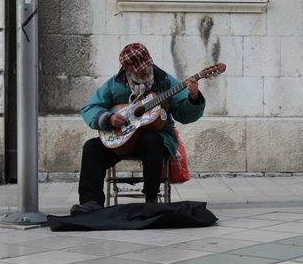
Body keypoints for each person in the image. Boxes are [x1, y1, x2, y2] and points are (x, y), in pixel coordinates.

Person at [70, 43, 206, 215]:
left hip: (156, 141)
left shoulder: (165, 81)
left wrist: (193, 98)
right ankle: (91, 202)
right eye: (139, 69)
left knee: (152, 139)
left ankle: (151, 198)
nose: (144, 71)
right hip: (122, 139)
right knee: (91, 147)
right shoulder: (115, 84)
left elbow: (184, 115)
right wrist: (108, 118)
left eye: (146, 66)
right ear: (127, 69)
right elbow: (89, 108)